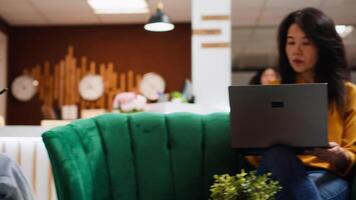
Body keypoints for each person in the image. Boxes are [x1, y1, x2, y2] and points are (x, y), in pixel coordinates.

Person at [247, 7, 356, 200]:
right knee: (278, 155)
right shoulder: (272, 91)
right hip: (277, 172)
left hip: (325, 177)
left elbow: (352, 153)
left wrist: (337, 154)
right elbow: (255, 155)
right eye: (290, 42)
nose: (296, 50)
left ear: (323, 47)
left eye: (306, 43)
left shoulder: (347, 92)